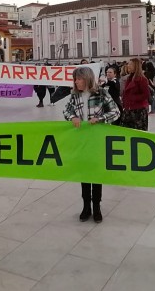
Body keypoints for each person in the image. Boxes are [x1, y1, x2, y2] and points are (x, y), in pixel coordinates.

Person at [63, 66, 120, 223]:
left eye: (79, 79)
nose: (76, 81)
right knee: (84, 173)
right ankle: (86, 206)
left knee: (96, 173)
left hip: (97, 141)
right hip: (81, 141)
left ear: (87, 79)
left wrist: (100, 119)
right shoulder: (74, 96)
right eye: (75, 79)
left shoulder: (102, 94)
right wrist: (73, 117)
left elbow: (115, 112)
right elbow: (66, 111)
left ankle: (97, 207)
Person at [120, 58, 151, 130]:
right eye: (128, 64)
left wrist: (133, 98)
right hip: (128, 110)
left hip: (138, 111)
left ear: (136, 66)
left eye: (130, 64)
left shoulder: (142, 79)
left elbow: (146, 94)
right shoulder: (129, 78)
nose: (128, 66)